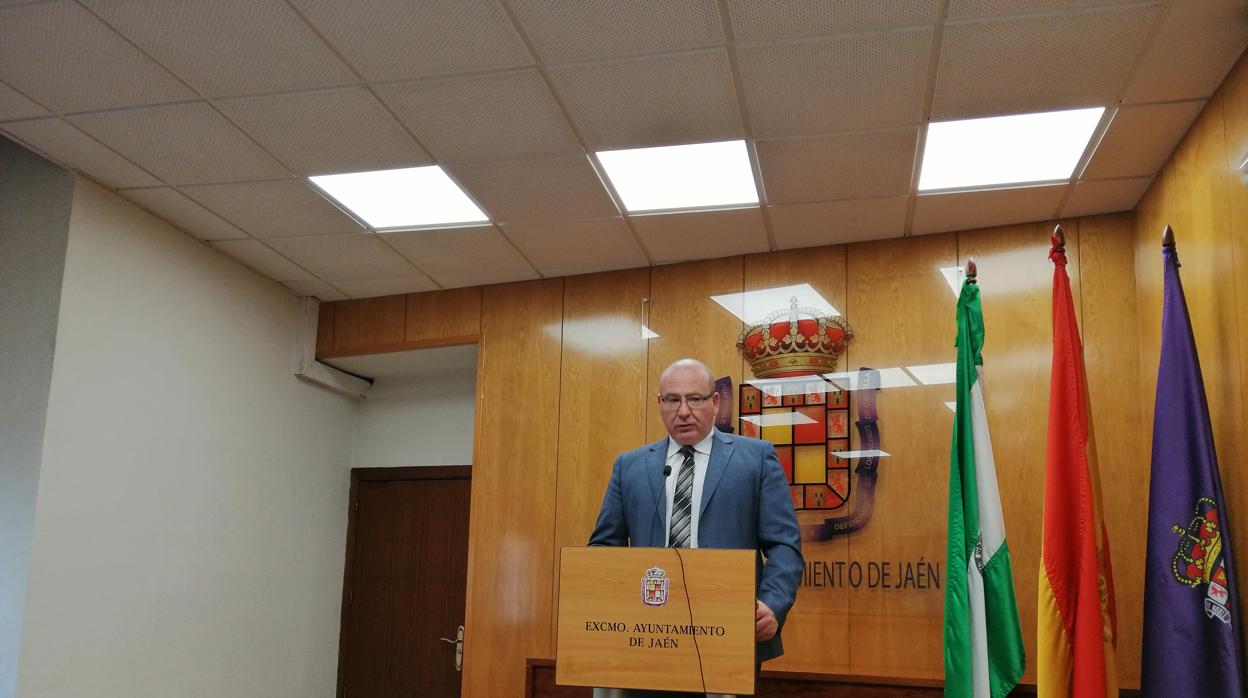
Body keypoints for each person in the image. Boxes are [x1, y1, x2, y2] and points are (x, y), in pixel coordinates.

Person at [588, 358, 803, 698]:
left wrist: (772, 604)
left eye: (696, 399)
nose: (684, 410)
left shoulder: (756, 459)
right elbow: (603, 548)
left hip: (726, 631)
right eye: (672, 400)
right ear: (660, 405)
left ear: (715, 402)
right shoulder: (630, 466)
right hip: (645, 633)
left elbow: (784, 545)